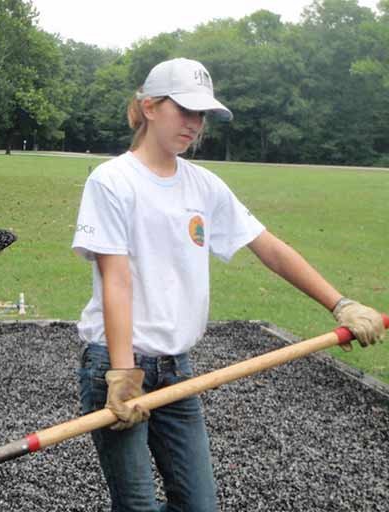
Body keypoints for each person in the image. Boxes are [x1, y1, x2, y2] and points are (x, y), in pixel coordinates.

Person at [71, 57, 385, 511]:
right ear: (150, 106)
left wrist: (341, 304)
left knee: (199, 505)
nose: (194, 124)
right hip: (118, 363)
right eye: (185, 110)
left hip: (176, 370)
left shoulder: (204, 186)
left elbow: (270, 249)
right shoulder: (113, 181)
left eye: (201, 115)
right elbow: (116, 280)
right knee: (137, 506)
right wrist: (122, 375)